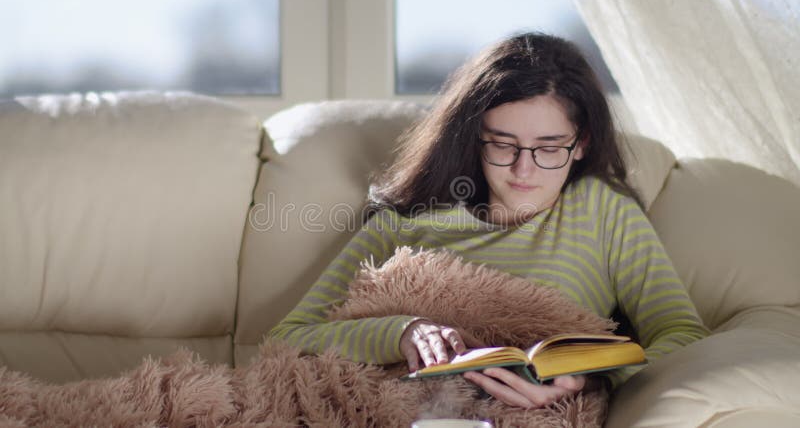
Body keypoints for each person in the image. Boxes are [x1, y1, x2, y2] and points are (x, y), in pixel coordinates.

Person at [269, 32, 709, 408]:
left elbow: (680, 332)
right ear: (474, 136)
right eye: (503, 144)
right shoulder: (406, 219)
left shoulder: (603, 210)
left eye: (549, 147)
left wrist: (594, 381)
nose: (524, 170)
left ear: (581, 144)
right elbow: (290, 336)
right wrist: (403, 333)